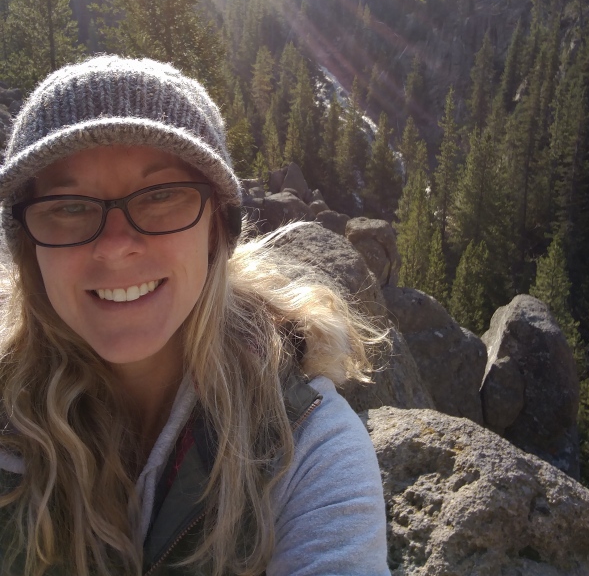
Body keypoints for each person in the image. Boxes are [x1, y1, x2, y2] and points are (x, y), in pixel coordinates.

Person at [0, 55, 390, 576]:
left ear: (217, 231)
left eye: (161, 195)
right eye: (69, 205)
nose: (116, 248)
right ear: (29, 248)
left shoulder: (307, 447)